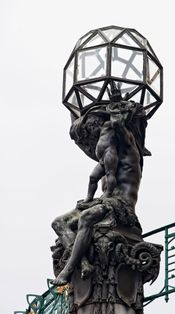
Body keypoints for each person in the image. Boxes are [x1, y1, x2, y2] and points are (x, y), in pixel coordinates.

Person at [52, 89, 143, 286]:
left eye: (102, 130)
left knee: (86, 217)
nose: (100, 135)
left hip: (122, 205)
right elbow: (91, 164)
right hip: (105, 202)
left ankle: (67, 271)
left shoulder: (129, 146)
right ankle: (83, 263)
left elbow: (118, 124)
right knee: (59, 223)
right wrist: (75, 114)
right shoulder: (108, 158)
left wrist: (116, 104)